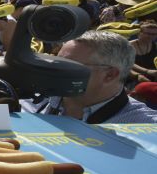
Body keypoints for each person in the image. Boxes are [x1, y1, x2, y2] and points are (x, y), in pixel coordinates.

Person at [22, 31, 157, 123]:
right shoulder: (25, 100)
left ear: (110, 75)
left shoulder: (146, 127)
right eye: (56, 61)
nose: (56, 69)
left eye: (69, 65)